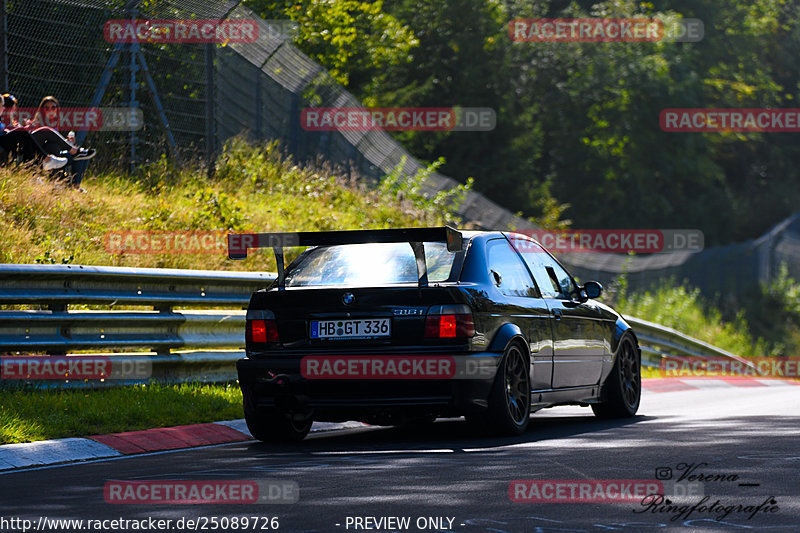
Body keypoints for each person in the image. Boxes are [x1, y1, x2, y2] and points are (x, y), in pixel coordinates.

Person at [0, 94, 69, 170]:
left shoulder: (57, 122)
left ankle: (68, 177)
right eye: (3, 106)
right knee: (45, 132)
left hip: (27, 142)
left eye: (53, 107)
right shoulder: (37, 122)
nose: (4, 108)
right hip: (28, 142)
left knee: (54, 146)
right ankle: (73, 152)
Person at [28, 96, 96, 162]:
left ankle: (75, 171)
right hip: (34, 149)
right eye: (47, 108)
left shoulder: (55, 123)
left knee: (56, 147)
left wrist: (68, 142)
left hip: (49, 150)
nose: (50, 110)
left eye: (53, 107)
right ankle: (75, 152)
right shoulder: (37, 122)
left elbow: (54, 140)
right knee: (50, 138)